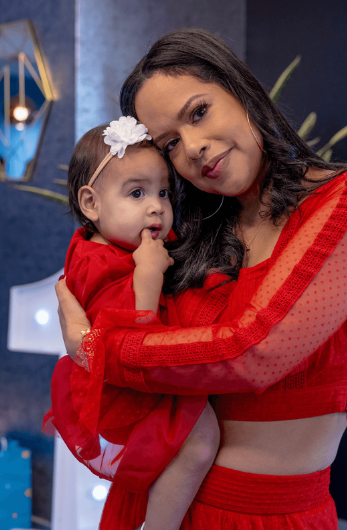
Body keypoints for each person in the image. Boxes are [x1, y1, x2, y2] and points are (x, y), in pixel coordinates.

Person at [56, 28, 347, 530]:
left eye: (198, 112)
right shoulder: (192, 235)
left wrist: (95, 348)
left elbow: (252, 352)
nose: (193, 147)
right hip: (162, 505)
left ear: (241, 92)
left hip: (270, 518)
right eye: (172, 143)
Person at [44, 117, 222, 530]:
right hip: (124, 389)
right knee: (200, 440)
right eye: (136, 193)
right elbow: (131, 334)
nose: (156, 206)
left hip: (137, 382)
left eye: (163, 192)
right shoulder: (100, 263)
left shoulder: (112, 245)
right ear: (91, 204)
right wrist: (149, 273)